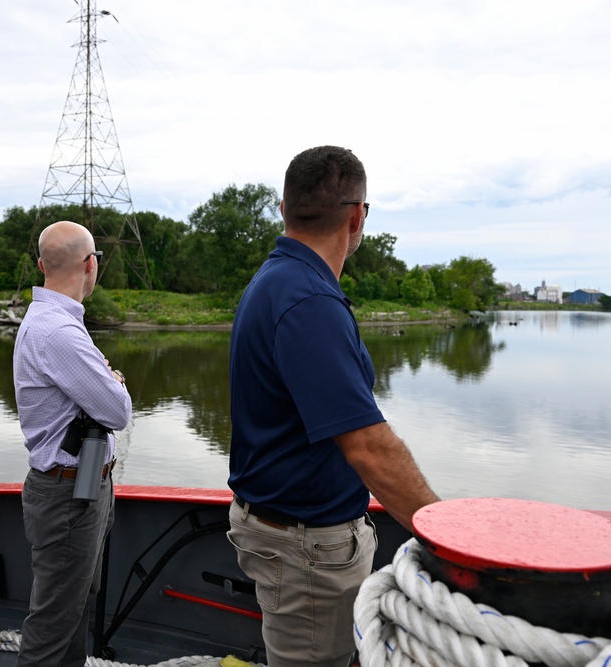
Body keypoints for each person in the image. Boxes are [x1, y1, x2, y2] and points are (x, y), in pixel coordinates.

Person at [227, 145, 441, 667]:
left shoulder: (278, 282)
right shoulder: (309, 302)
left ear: (284, 208)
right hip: (306, 551)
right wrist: (444, 532)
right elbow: (368, 445)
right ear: (356, 216)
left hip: (290, 534)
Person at [13, 220, 132, 667]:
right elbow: (118, 412)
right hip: (69, 494)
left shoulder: (52, 322)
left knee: (75, 604)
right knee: (53, 623)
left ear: (42, 265)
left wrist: (101, 380)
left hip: (80, 482)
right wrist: (112, 380)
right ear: (90, 265)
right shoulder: (59, 332)